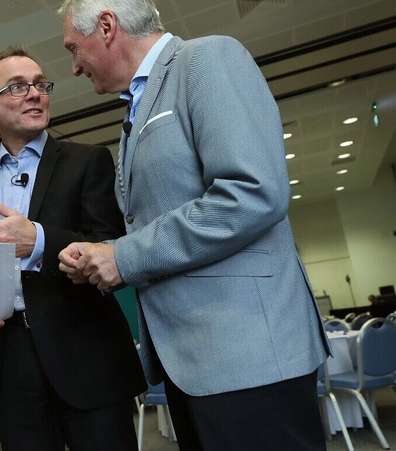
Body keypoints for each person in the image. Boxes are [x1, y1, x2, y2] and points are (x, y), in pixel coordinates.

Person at [56, 1, 331, 450]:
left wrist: (125, 256)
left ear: (107, 27)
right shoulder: (138, 107)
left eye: (74, 48)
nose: (73, 67)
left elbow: (252, 192)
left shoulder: (206, 59)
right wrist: (102, 252)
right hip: (192, 363)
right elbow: (165, 214)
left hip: (246, 354)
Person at [0, 45, 145, 451]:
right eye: (18, 86)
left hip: (84, 351)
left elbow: (110, 245)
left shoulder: (88, 161)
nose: (36, 93)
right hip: (10, 361)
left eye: (41, 84)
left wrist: (37, 241)